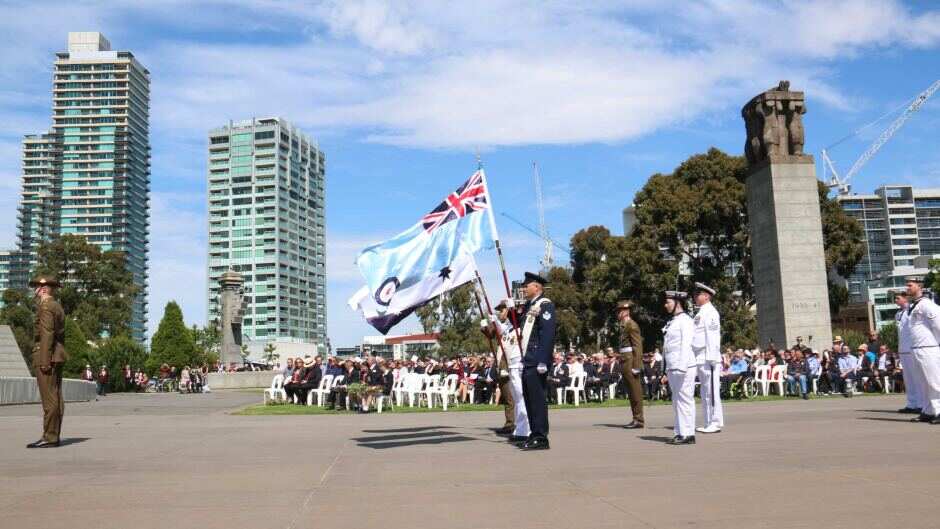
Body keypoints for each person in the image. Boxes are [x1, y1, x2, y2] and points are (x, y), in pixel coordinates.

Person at [511, 272, 555, 451]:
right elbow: (518, 325)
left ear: (536, 287)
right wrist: (511, 309)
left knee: (537, 400)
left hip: (537, 359)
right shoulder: (530, 306)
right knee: (529, 399)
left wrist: (544, 359)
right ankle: (533, 433)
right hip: (527, 359)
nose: (523, 288)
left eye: (526, 285)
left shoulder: (545, 305)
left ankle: (541, 437)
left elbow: (547, 334)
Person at [27, 275, 68, 449]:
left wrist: (44, 360)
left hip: (47, 356)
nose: (38, 289)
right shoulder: (56, 306)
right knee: (56, 396)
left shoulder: (46, 307)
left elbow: (47, 334)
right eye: (37, 286)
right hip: (56, 354)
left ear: (48, 289)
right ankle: (53, 435)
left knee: (49, 398)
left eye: (38, 287)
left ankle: (50, 437)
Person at [484, 300, 530, 441]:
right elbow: (496, 332)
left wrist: (497, 320)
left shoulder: (518, 328)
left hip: (515, 366)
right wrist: (490, 323)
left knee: (517, 398)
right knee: (512, 398)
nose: (501, 312)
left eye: (503, 310)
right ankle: (516, 426)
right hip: (508, 367)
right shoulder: (508, 329)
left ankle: (520, 426)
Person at [903, 276, 940, 424]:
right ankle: (928, 410)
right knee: (922, 383)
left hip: (929, 348)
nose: (907, 288)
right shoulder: (914, 305)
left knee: (934, 381)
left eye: (910, 285)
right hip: (916, 348)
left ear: (920, 286)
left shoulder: (927, 305)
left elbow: (938, 325)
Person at [663, 290, 696, 445]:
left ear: (677, 303)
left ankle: (688, 433)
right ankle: (679, 432)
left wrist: (681, 367)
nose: (666, 305)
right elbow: (666, 347)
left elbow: (686, 345)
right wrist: (665, 368)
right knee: (677, 400)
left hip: (684, 366)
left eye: (668, 302)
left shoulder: (686, 321)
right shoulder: (673, 321)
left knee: (685, 399)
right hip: (672, 366)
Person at [692, 282, 723, 434]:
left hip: (708, 357)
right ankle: (707, 421)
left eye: (698, 294)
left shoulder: (711, 312)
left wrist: (711, 357)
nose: (695, 297)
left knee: (711, 391)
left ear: (706, 296)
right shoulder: (701, 312)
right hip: (700, 356)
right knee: (705, 391)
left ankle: (715, 422)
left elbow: (712, 336)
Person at [615, 300, 645, 429]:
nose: (618, 313)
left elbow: (637, 347)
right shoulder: (623, 325)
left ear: (626, 311)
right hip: (625, 359)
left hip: (631, 360)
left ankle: (639, 419)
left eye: (620, 311)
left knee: (635, 391)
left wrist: (637, 366)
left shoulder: (632, 325)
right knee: (631, 392)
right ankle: (635, 418)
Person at [893, 290, 923, 414]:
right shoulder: (898, 314)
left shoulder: (912, 310)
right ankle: (911, 403)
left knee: (917, 377)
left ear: (905, 298)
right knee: (908, 379)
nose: (896, 300)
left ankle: (921, 404)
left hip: (912, 348)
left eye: (898, 297)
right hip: (903, 349)